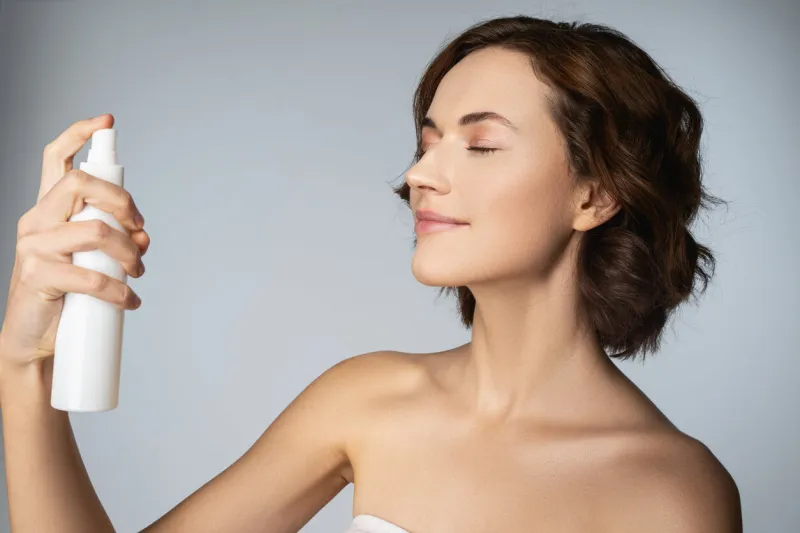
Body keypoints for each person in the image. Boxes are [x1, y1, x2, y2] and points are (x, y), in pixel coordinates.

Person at [0, 15, 742, 533]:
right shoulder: (365, 401)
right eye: (427, 143)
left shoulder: (675, 491)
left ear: (594, 194)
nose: (420, 174)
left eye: (480, 145)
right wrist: (23, 362)